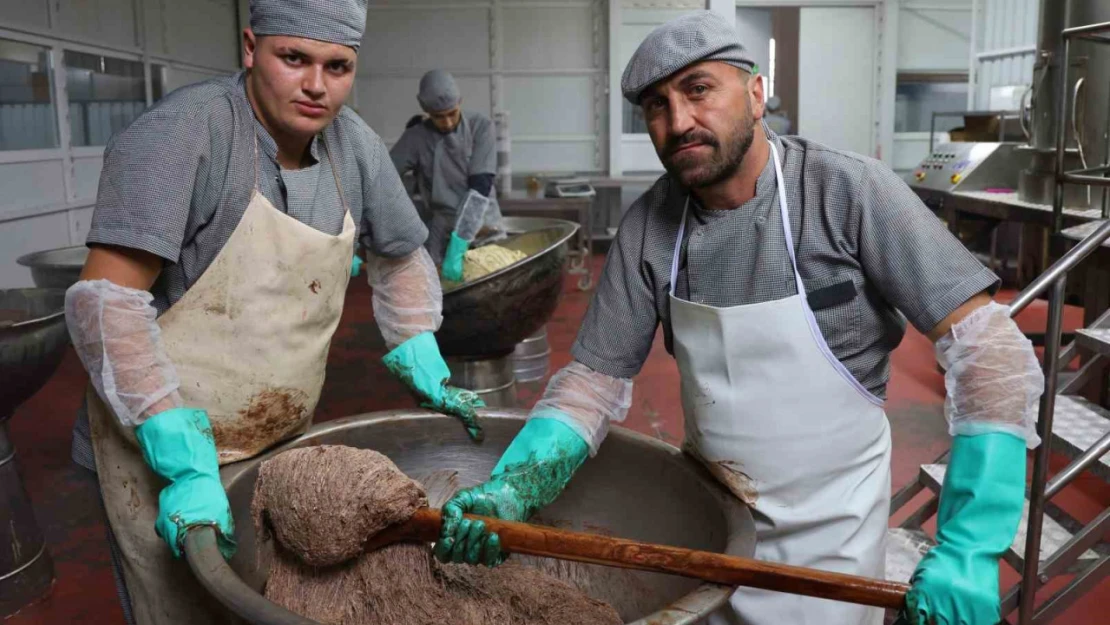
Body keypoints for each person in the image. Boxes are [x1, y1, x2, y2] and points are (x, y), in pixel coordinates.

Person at [434, 11, 1043, 625]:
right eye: (655, 105)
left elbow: (990, 351)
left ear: (754, 95)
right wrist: (518, 484)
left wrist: (971, 545)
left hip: (832, 544)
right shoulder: (650, 226)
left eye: (699, 90)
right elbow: (591, 383)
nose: (678, 122)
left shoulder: (848, 192)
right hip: (712, 528)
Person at [62, 1, 484, 622]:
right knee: (179, 605)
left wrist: (418, 341)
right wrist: (181, 458)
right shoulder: (186, 134)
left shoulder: (356, 146)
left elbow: (400, 256)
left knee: (271, 596)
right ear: (250, 47)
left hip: (277, 429)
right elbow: (109, 304)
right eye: (295, 59)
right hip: (158, 439)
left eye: (337, 66)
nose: (317, 86)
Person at [390, 70, 505, 281]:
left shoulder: (480, 127)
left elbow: (481, 187)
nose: (448, 123)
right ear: (426, 111)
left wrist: (459, 243)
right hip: (440, 230)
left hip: (483, 225)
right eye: (439, 117)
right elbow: (380, 180)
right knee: (442, 293)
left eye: (452, 113)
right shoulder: (416, 138)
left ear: (460, 101)